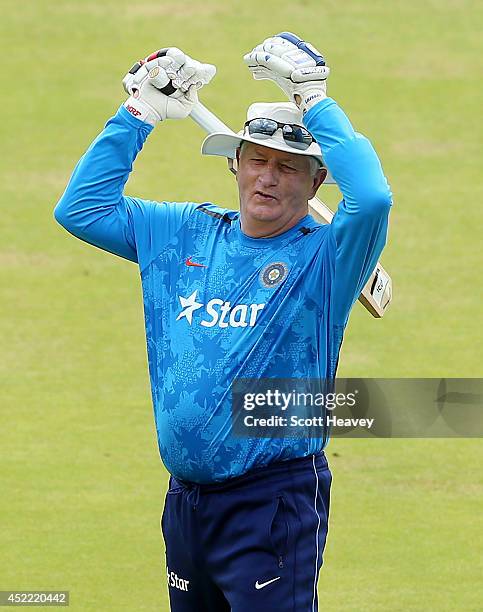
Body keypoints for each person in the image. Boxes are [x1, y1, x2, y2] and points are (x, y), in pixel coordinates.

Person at [54, 33, 392, 612]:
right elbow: (80, 209)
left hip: (272, 502)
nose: (268, 177)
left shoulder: (326, 261)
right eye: (257, 159)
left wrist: (313, 98)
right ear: (233, 163)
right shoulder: (182, 231)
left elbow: (373, 196)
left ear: (316, 184)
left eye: (289, 168)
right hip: (186, 503)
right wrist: (138, 114)